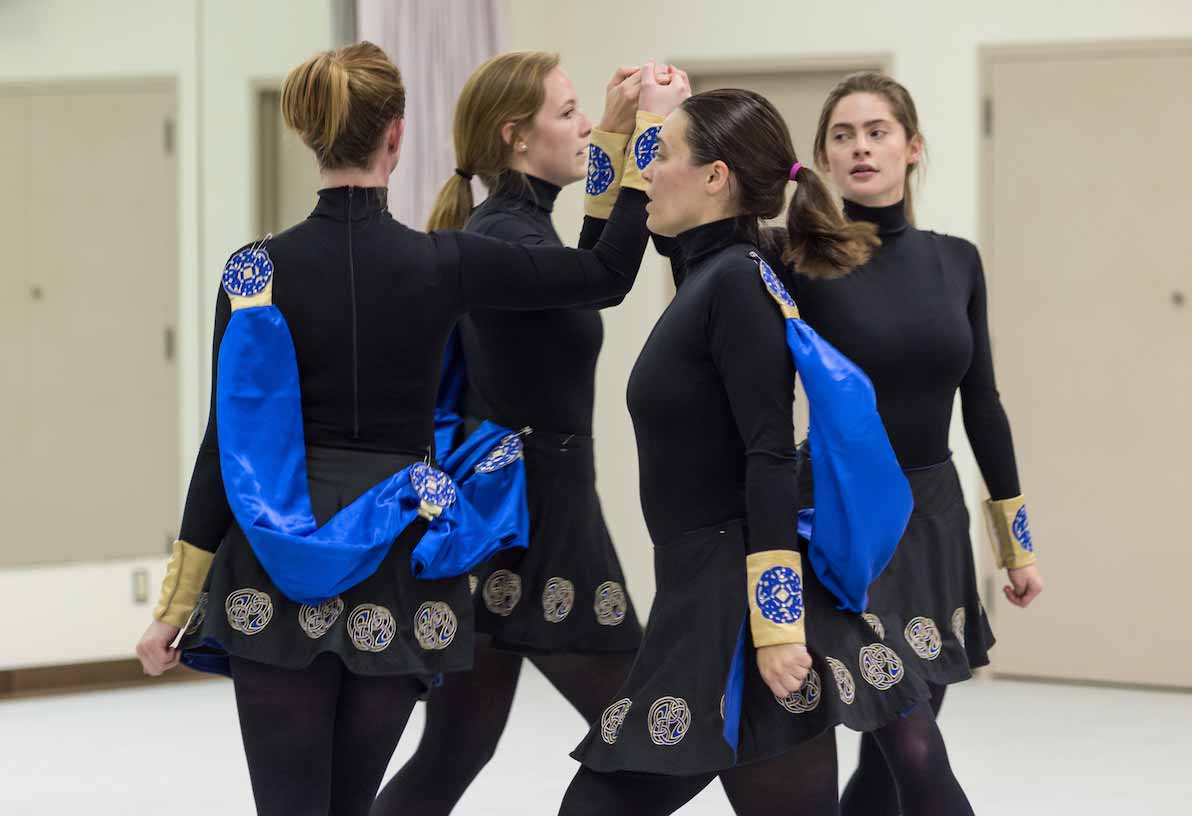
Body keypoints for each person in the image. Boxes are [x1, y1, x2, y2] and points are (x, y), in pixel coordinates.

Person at [133, 42, 685, 816]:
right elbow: (607, 275)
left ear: (308, 135)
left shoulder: (251, 270)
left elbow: (223, 444)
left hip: (271, 558)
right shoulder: (444, 262)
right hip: (394, 564)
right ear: (398, 136)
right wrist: (642, 135)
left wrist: (175, 601)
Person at [559, 88, 927, 816]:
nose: (647, 174)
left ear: (716, 178)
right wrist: (627, 127)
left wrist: (778, 626)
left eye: (659, 158)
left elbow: (768, 456)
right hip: (700, 589)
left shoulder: (736, 280)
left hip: (731, 598)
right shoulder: (708, 268)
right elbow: (601, 254)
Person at [372, 52, 657, 816]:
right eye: (568, 114)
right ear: (515, 138)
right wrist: (648, 137)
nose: (585, 125)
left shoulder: (519, 229)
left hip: (529, 510)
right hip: (537, 519)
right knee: (649, 737)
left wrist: (621, 131)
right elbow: (611, 275)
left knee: (457, 746)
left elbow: (594, 257)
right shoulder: (503, 238)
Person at [784, 69, 1045, 815]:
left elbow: (983, 403)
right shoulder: (798, 259)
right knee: (916, 745)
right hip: (841, 522)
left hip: (933, 519)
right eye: (843, 136)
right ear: (826, 159)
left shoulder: (957, 260)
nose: (860, 148)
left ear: (912, 147)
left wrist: (1016, 543)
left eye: (877, 132)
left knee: (893, 747)